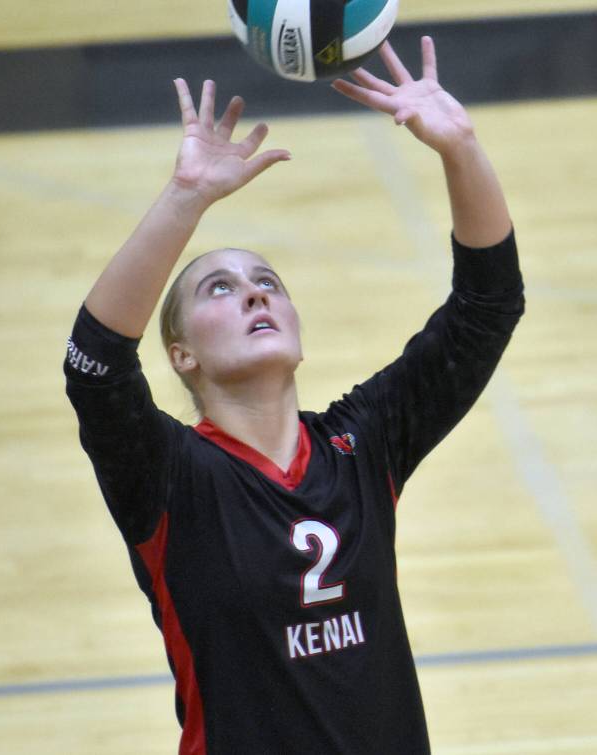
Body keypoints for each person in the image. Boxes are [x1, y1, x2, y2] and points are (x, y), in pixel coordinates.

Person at [64, 37, 524, 754]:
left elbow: (487, 307)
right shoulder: (173, 477)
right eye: (220, 288)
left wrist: (460, 147)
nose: (253, 293)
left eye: (267, 282)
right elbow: (96, 365)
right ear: (181, 354)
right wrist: (187, 197)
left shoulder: (361, 445)